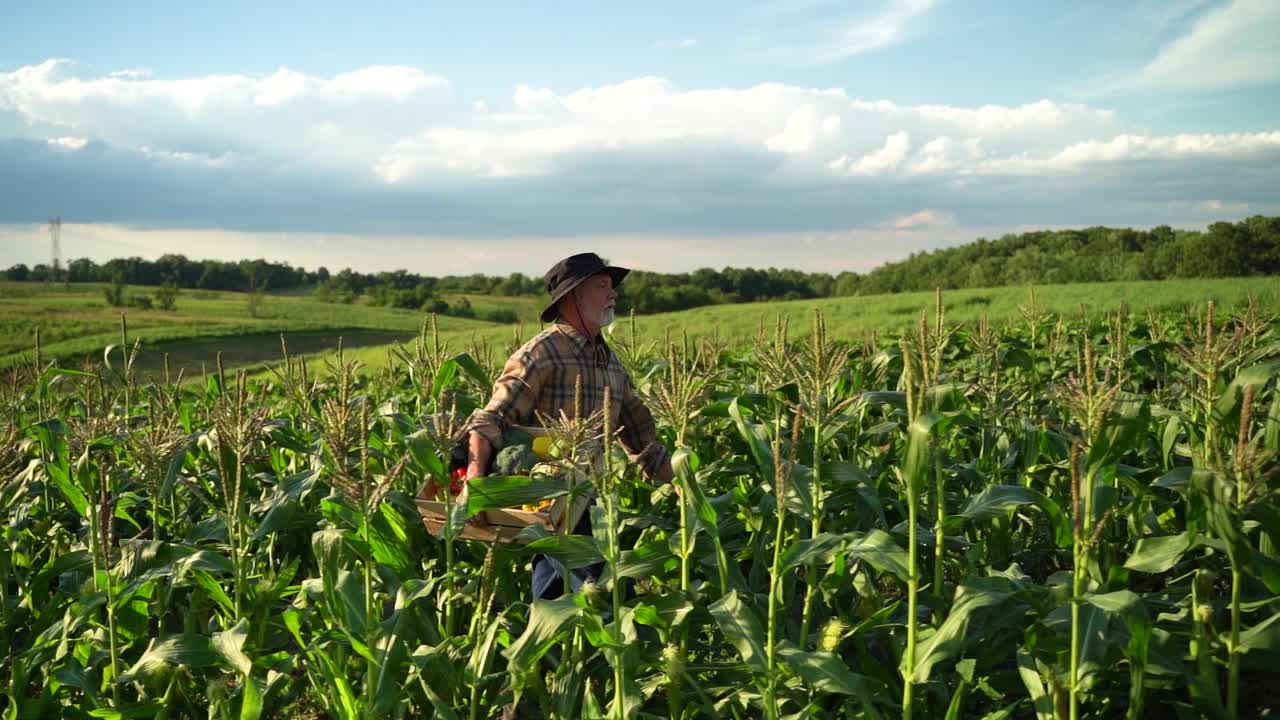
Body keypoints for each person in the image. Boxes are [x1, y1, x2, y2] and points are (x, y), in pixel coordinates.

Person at [460, 252, 674, 599]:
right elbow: (491, 419)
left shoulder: (609, 361)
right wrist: (474, 480)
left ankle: (547, 652)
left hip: (592, 500)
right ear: (574, 295)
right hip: (549, 501)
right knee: (610, 596)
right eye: (603, 286)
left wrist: (680, 485)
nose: (613, 294)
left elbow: (640, 437)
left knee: (554, 595)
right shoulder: (542, 354)